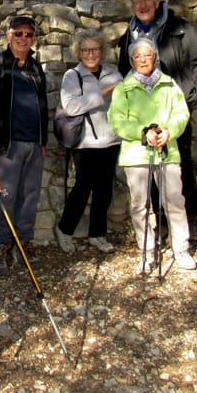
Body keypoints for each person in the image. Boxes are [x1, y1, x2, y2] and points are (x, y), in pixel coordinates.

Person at [117, 0, 197, 222]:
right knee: (149, 161)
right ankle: (162, 216)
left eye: (147, 0)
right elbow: (125, 72)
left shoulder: (180, 28)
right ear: (132, 7)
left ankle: (189, 214)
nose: (142, 6)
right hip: (143, 110)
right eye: (137, 2)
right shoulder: (127, 38)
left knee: (179, 158)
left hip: (175, 105)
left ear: (157, 1)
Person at [108, 37, 197, 273]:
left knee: (175, 202)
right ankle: (146, 252)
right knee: (140, 206)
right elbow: (116, 120)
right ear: (131, 60)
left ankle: (181, 249)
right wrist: (142, 132)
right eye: (137, 56)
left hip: (167, 152)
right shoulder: (123, 89)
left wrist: (169, 131)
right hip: (136, 155)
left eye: (147, 55)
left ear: (155, 57)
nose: (143, 60)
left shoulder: (169, 85)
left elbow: (181, 113)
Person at [0, 15, 49, 276]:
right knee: (5, 198)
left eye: (28, 35)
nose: (23, 39)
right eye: (18, 34)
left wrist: (43, 141)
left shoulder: (36, 68)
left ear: (34, 39)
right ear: (9, 36)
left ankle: (22, 245)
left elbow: (43, 106)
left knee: (29, 198)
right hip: (6, 145)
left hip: (33, 144)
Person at [54, 29, 123, 254]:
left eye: (94, 49)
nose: (90, 54)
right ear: (79, 53)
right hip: (86, 143)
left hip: (111, 141)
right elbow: (72, 106)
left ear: (102, 50)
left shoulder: (114, 73)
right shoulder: (72, 76)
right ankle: (65, 229)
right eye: (85, 50)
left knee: (104, 191)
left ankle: (98, 235)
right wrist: (102, 93)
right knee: (82, 189)